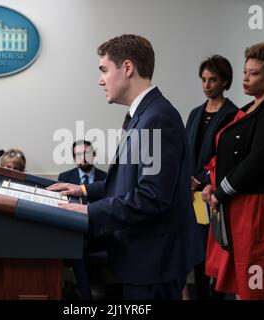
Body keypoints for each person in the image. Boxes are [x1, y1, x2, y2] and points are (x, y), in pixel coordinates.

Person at [48, 34, 203, 300]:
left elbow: (151, 196)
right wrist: (83, 190)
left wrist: (87, 212)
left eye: (104, 70)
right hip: (146, 257)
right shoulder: (144, 114)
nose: (100, 80)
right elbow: (129, 182)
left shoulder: (157, 118)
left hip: (155, 260)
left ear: (128, 68)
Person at [202, 43, 264, 299]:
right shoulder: (247, 109)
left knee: (258, 280)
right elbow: (225, 155)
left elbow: (256, 162)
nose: (245, 78)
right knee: (243, 281)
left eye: (253, 73)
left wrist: (220, 192)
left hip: (261, 209)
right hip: (239, 206)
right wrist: (211, 183)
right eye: (244, 71)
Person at [185, 55, 238, 299]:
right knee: (197, 251)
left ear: (225, 81)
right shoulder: (195, 113)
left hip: (216, 194)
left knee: (216, 252)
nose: (207, 85)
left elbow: (229, 157)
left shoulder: (234, 114)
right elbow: (185, 151)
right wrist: (189, 178)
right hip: (193, 195)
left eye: (213, 80)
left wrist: (204, 178)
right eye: (204, 80)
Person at [58, 140, 107, 300]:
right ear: (74, 158)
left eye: (87, 154)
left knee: (79, 244)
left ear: (94, 155)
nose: (84, 158)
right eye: (79, 154)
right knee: (78, 243)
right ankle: (86, 293)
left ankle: (85, 293)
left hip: (100, 231)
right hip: (74, 229)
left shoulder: (106, 178)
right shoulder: (64, 178)